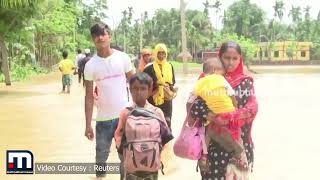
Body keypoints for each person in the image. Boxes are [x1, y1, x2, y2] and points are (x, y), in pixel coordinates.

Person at [192, 41, 258, 180]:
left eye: (235, 58)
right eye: (227, 58)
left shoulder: (245, 82)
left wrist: (229, 117)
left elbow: (252, 109)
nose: (230, 62)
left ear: (240, 59)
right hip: (212, 146)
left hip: (239, 145)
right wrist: (213, 116)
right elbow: (194, 105)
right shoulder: (206, 79)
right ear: (219, 57)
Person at [83, 23, 134, 178]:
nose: (100, 37)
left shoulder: (123, 58)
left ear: (109, 36)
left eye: (103, 34)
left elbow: (136, 84)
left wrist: (141, 111)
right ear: (92, 40)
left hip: (124, 117)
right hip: (103, 120)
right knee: (100, 158)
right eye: (96, 35)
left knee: (125, 158)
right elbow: (89, 97)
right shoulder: (90, 65)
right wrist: (87, 125)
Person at [191, 57, 248, 172]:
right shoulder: (220, 79)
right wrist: (235, 110)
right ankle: (238, 153)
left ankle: (204, 156)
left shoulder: (200, 83)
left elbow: (192, 99)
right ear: (213, 70)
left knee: (209, 133)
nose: (223, 71)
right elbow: (231, 94)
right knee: (227, 132)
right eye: (221, 69)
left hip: (212, 116)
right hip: (228, 113)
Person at [114, 72, 173, 180]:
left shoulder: (157, 112)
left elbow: (166, 139)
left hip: (152, 165)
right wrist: (126, 155)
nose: (138, 92)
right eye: (135, 89)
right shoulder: (125, 113)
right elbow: (118, 136)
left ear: (150, 91)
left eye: (142, 88)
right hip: (131, 166)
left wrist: (160, 158)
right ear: (130, 91)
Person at [144, 43, 176, 130]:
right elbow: (144, 85)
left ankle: (167, 143)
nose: (161, 55)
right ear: (155, 53)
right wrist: (158, 85)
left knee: (167, 123)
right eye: (159, 53)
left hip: (167, 100)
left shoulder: (170, 66)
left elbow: (172, 82)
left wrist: (172, 90)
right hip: (153, 100)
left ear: (166, 54)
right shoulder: (149, 68)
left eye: (163, 53)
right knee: (153, 123)